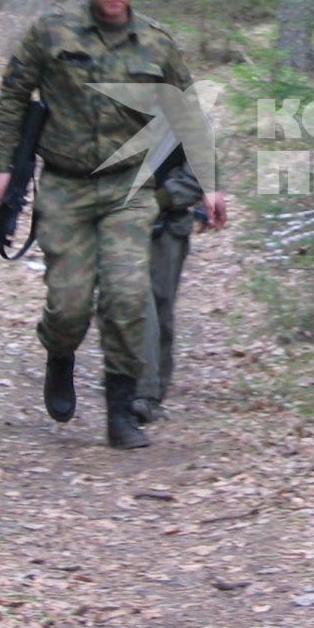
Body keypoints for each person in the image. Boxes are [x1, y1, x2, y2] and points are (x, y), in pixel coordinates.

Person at [0, 0, 201, 450]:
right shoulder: (51, 32)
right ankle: (59, 354)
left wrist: (205, 186)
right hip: (64, 185)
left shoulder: (156, 42)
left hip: (129, 186)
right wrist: (2, 168)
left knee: (128, 297)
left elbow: (188, 115)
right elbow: (14, 95)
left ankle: (121, 409)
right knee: (68, 305)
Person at [133, 147, 228, 425]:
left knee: (160, 302)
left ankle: (151, 393)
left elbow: (199, 171)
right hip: (116, 217)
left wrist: (157, 199)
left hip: (167, 222)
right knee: (133, 300)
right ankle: (139, 389)